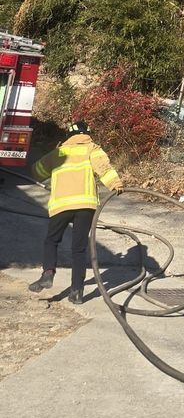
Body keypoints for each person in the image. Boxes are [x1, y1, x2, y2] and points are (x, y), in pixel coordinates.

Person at [28, 120, 123, 304]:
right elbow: (104, 168)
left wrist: (53, 157)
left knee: (52, 240)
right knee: (78, 249)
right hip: (85, 205)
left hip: (61, 205)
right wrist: (115, 184)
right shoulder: (91, 148)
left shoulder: (59, 152)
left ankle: (48, 273)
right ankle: (77, 293)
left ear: (69, 136)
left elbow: (37, 171)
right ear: (87, 133)